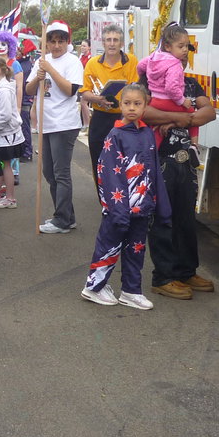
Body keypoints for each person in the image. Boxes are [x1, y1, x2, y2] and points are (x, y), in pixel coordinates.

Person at [81, 83, 170, 310]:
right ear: (120, 105)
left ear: (145, 106)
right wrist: (116, 208)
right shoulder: (115, 135)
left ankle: (131, 290)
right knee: (109, 245)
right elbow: (108, 173)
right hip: (118, 206)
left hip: (142, 207)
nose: (132, 108)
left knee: (136, 249)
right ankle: (94, 287)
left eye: (137, 104)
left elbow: (154, 170)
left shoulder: (147, 133)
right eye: (127, 103)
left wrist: (161, 205)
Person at [140, 71, 217, 299]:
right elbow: (143, 111)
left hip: (186, 161)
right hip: (158, 161)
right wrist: (180, 116)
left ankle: (186, 272)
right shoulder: (150, 82)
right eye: (179, 47)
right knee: (162, 219)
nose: (183, 53)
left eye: (186, 48)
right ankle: (163, 277)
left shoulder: (191, 84)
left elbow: (209, 112)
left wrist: (179, 119)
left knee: (186, 219)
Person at [25, 20, 83, 234]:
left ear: (67, 42)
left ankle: (62, 220)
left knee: (61, 173)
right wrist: (38, 77)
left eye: (61, 41)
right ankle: (67, 215)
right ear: (46, 42)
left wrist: (50, 70)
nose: (57, 45)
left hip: (64, 123)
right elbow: (30, 90)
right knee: (49, 172)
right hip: (46, 123)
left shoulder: (73, 61)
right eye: (53, 41)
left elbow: (70, 90)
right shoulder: (41, 60)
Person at [79, 24, 139, 191]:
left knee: (125, 164)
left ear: (121, 43)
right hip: (100, 118)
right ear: (103, 43)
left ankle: (125, 202)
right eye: (108, 40)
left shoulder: (132, 61)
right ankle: (105, 204)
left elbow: (136, 89)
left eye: (116, 40)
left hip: (124, 119)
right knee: (99, 163)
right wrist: (98, 99)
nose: (112, 44)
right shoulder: (92, 63)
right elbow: (85, 92)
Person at [136, 24, 198, 152]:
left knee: (158, 128)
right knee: (192, 114)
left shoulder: (154, 57)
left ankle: (152, 153)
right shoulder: (175, 64)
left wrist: (147, 75)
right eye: (181, 46)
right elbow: (171, 88)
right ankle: (194, 146)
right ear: (168, 47)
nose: (185, 50)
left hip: (155, 101)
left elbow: (140, 66)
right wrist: (182, 101)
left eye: (186, 46)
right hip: (168, 101)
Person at [0, 55, 25, 208]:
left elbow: (6, 114)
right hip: (0, 133)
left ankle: (10, 198)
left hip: (8, 134)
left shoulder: (4, 89)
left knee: (6, 165)